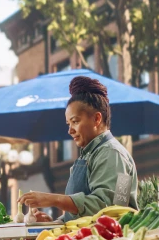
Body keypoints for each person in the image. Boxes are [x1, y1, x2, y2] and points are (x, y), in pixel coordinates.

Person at [18, 76, 138, 222]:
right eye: (68, 124)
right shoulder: (88, 155)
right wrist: (55, 223)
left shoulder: (113, 153)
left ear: (96, 119)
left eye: (75, 122)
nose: (70, 130)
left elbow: (110, 208)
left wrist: (54, 199)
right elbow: (81, 215)